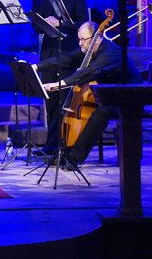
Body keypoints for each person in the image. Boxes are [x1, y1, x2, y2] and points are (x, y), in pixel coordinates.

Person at [34, 21, 142, 168]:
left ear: (96, 38)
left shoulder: (110, 53)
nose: (80, 43)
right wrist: (37, 67)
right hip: (110, 96)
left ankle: (74, 158)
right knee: (79, 110)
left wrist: (60, 84)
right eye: (79, 39)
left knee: (101, 113)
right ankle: (63, 153)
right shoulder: (91, 50)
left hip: (129, 98)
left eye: (83, 39)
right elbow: (68, 59)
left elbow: (90, 72)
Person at [34, 0, 88, 155]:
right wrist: (40, 22)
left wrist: (60, 24)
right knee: (51, 101)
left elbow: (84, 25)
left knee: (65, 100)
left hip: (68, 53)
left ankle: (65, 145)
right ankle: (50, 145)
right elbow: (37, 26)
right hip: (49, 53)